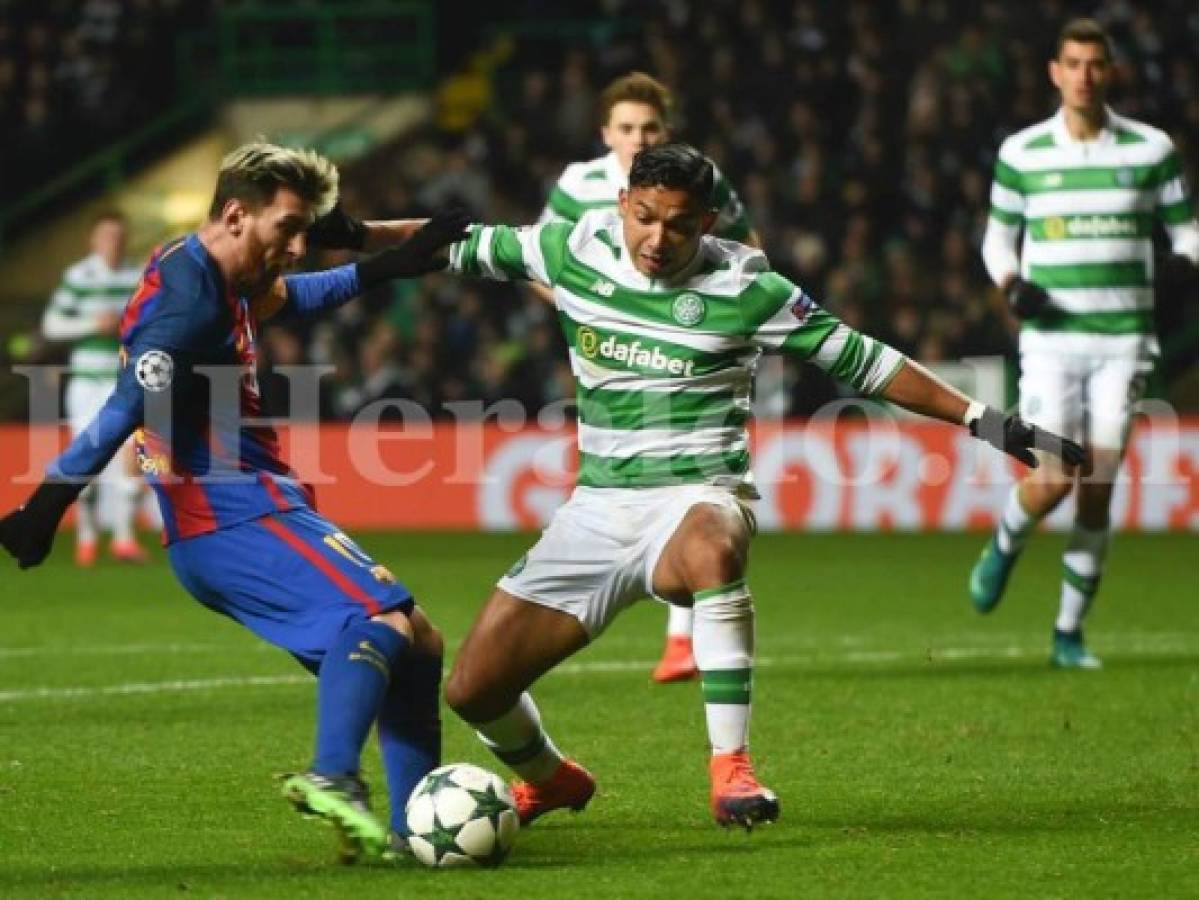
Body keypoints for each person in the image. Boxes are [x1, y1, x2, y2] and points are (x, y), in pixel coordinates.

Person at [441, 143, 1084, 829]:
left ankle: (731, 771)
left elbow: (865, 361)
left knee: (710, 547)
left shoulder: (750, 288)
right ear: (623, 204)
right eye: (646, 218)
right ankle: (553, 780)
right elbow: (447, 244)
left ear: (709, 222)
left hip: (698, 496)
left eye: (680, 225)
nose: (658, 239)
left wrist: (984, 420)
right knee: (473, 690)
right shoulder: (572, 247)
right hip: (595, 511)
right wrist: (346, 239)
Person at [0, 141, 468, 862]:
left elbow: (296, 292)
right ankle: (333, 776)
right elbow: (123, 408)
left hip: (260, 501)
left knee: (419, 638)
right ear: (234, 214)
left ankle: (411, 830)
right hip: (227, 514)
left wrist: (387, 262)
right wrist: (44, 510)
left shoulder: (220, 268)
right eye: (287, 229)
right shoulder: (185, 311)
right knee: (376, 618)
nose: (296, 247)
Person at [970, 18, 1198, 668]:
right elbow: (995, 240)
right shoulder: (1023, 153)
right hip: (1051, 343)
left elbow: (1186, 232)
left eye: (1095, 64)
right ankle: (1005, 542)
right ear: (1054, 71)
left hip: (1124, 342)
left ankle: (1067, 633)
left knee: (1096, 484)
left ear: (1110, 71)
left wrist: (1181, 265)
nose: (1084, 75)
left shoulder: (1149, 150)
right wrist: (1011, 282)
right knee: (1052, 480)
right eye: (1072, 63)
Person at [539, 70, 760, 685]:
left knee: (687, 479)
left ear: (668, 129)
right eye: (627, 128)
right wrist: (582, 303)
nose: (638, 138)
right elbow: (541, 255)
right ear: (605, 132)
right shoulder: (578, 185)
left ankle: (681, 638)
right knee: (628, 466)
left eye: (650, 127)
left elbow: (747, 244)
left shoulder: (699, 182)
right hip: (606, 347)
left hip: (683, 347)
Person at [42, 211, 147, 565]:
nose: (112, 243)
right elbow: (53, 324)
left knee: (133, 452)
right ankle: (86, 537)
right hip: (86, 381)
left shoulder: (137, 276)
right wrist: (92, 323)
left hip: (124, 379)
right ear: (93, 240)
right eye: (106, 236)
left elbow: (148, 320)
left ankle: (124, 538)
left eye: (118, 236)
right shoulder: (79, 277)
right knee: (87, 461)